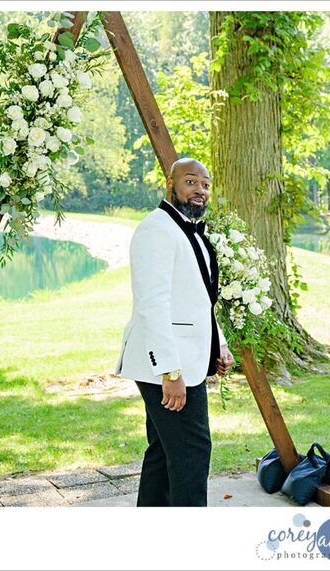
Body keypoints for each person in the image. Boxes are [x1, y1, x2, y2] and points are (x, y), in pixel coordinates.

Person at [115, 158, 235, 507]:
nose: (200, 190)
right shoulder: (157, 229)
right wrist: (170, 371)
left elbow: (198, 299)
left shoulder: (191, 231)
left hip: (185, 359)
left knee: (164, 453)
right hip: (168, 366)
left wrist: (219, 345)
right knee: (192, 453)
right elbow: (152, 305)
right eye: (191, 182)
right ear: (170, 184)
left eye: (205, 184)